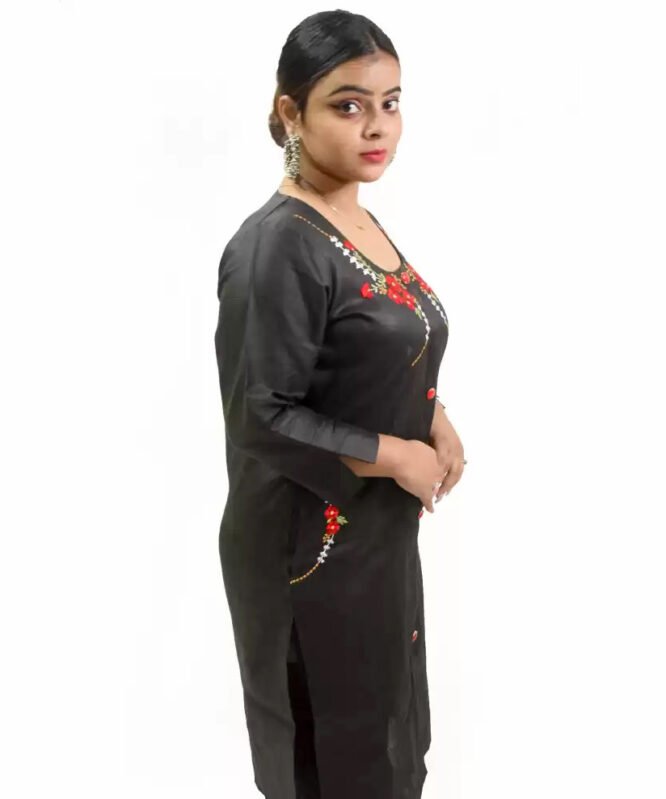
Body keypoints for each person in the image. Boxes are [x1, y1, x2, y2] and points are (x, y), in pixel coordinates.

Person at [214, 10, 466, 799]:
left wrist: (434, 417)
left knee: (390, 744)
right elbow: (263, 413)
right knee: (335, 757)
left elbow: (371, 344)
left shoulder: (352, 218)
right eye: (348, 104)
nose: (377, 125)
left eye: (391, 102)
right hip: (308, 551)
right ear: (291, 112)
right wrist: (398, 455)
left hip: (376, 539)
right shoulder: (277, 244)